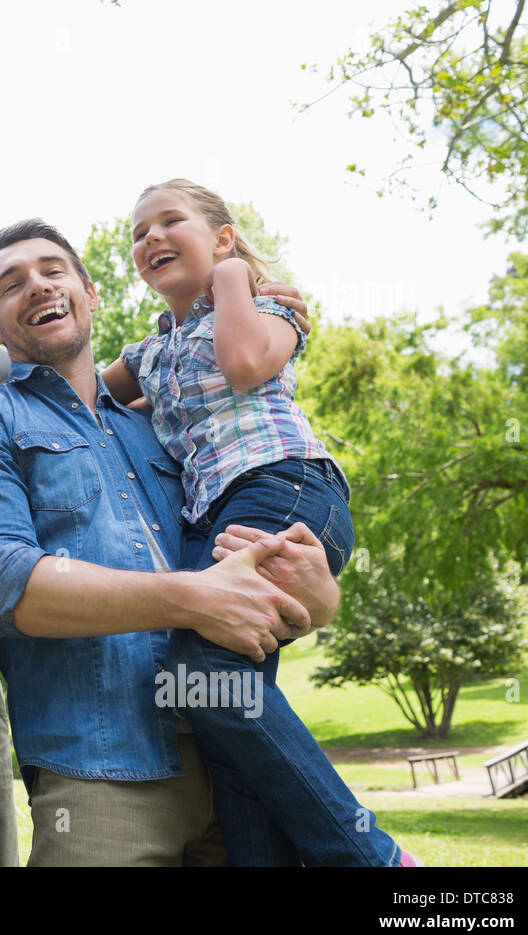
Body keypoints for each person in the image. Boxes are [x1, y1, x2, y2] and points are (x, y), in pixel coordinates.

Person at [0, 219, 347, 866]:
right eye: (12, 284)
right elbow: (5, 584)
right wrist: (191, 598)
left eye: (53, 270)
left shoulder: (176, 433)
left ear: (90, 292)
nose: (37, 286)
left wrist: (319, 603)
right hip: (99, 778)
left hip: (240, 769)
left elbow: (243, 564)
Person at [92, 178, 406, 865]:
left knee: (199, 667)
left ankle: (372, 857)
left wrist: (232, 278)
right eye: (137, 233)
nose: (149, 238)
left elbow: (242, 366)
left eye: (169, 221)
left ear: (224, 237)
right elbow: (76, 397)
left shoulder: (269, 309)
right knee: (221, 708)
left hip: (285, 489)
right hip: (217, 519)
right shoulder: (148, 353)